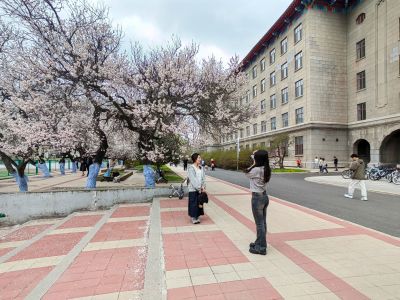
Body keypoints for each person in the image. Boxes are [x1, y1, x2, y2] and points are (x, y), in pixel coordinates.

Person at [245, 150, 271, 255]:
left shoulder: (255, 170)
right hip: (264, 197)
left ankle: (261, 247)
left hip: (257, 198)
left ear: (257, 159)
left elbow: (246, 172)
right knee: (263, 222)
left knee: (259, 224)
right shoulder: (266, 168)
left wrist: (254, 162)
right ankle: (259, 242)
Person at [187, 153, 206, 224]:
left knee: (199, 203)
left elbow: (203, 178)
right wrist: (199, 188)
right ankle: (193, 217)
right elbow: (193, 179)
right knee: (193, 203)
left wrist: (203, 186)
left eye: (200, 158)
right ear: (195, 159)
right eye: (199, 158)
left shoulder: (201, 167)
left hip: (200, 188)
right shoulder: (191, 168)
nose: (200, 159)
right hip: (193, 189)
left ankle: (197, 216)